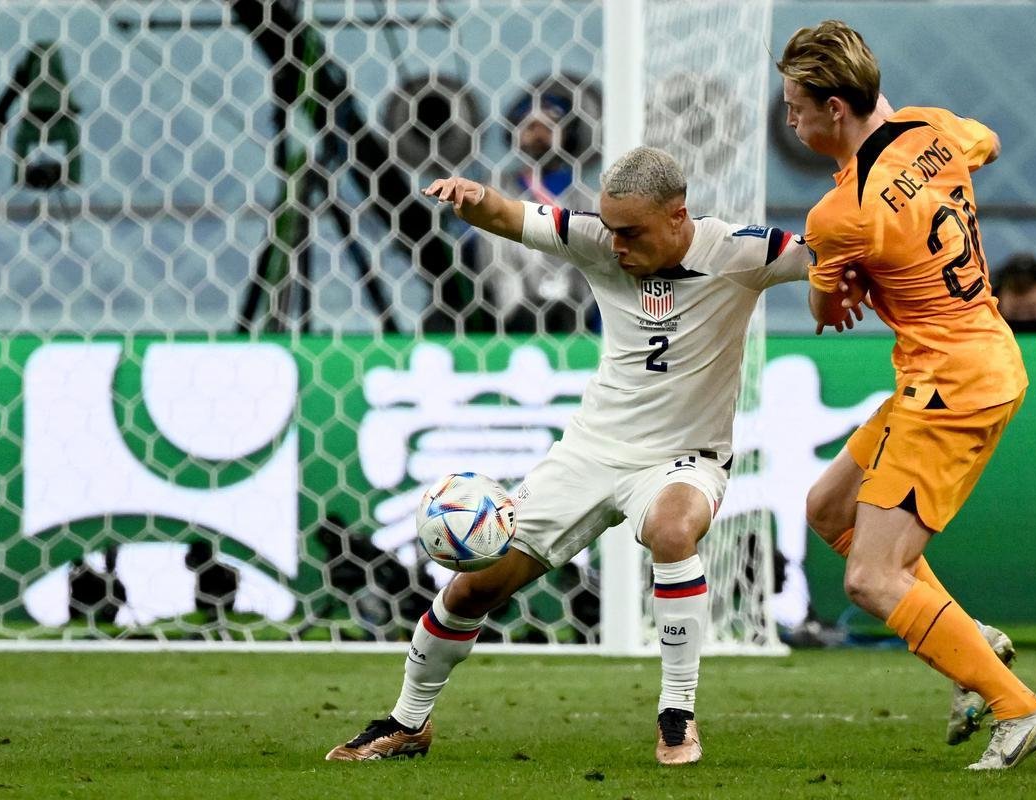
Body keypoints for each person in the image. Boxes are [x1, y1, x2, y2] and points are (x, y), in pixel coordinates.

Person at [326, 146, 810, 765]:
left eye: (630, 232)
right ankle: (406, 722)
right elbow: (511, 217)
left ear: (678, 217)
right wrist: (474, 199)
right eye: (609, 228)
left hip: (683, 458)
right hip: (590, 451)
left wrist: (844, 278)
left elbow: (829, 256)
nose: (617, 245)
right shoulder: (598, 241)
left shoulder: (741, 251)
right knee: (476, 588)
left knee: (670, 530)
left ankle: (677, 714)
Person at [776, 20, 1036, 770]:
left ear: (834, 108)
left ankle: (1018, 706)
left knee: (871, 577)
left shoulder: (840, 216)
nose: (790, 121)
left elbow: (824, 313)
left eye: (796, 105)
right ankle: (967, 638)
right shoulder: (931, 127)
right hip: (966, 360)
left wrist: (836, 286)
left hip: (951, 386)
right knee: (828, 509)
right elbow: (986, 141)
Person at [468, 87, 598, 333]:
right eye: (529, 126)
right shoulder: (498, 188)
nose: (539, 134)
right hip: (515, 310)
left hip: (575, 311)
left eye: (549, 126)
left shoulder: (585, 196)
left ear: (566, 134)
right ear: (514, 135)